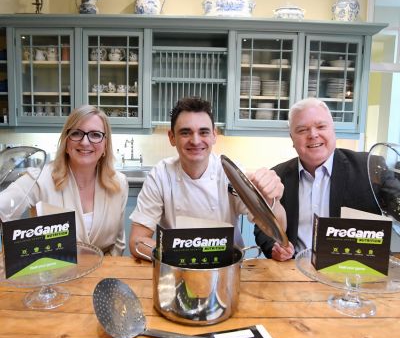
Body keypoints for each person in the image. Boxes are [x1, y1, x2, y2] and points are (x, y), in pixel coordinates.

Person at [129, 96, 286, 259]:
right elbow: (137, 242)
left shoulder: (231, 173)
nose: (195, 141)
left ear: (214, 136)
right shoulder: (160, 175)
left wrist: (272, 201)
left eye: (203, 132)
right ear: (172, 137)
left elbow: (276, 229)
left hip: (226, 267)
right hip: (176, 266)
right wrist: (183, 257)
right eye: (185, 132)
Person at [254, 97, 383, 261]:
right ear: (292, 139)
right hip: (295, 274)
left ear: (333, 130)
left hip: (351, 273)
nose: (313, 135)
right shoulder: (277, 176)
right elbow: (262, 226)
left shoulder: (370, 167)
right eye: (302, 130)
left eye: (321, 126)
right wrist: (274, 247)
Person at [0, 105, 128, 255]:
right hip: (55, 274)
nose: (85, 142)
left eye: (95, 134)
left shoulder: (119, 183)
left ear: (105, 145)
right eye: (76, 133)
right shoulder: (40, 179)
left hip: (104, 273)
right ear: (67, 143)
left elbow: (118, 245)